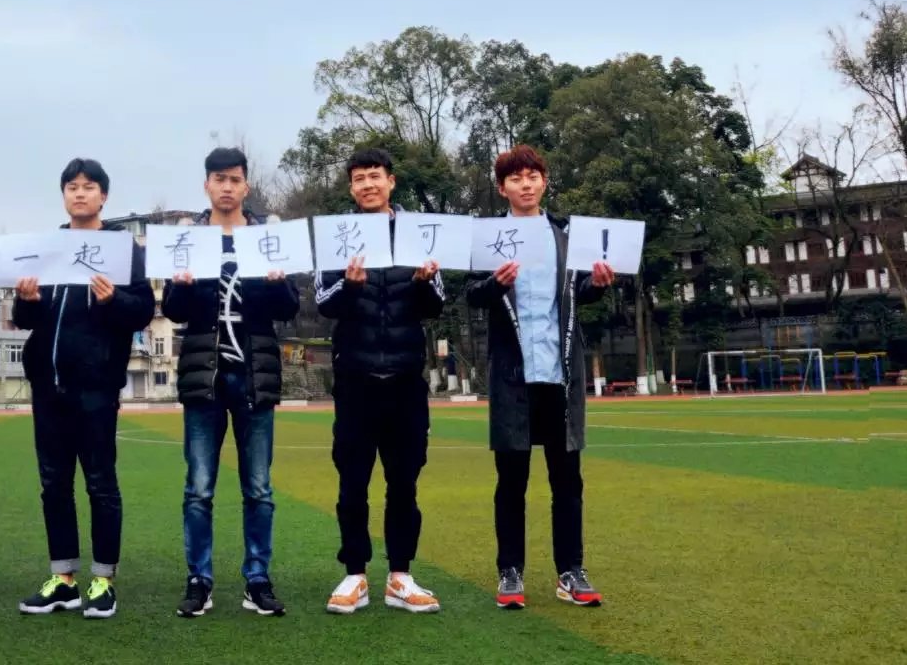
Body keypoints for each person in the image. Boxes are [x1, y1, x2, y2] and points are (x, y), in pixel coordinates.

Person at [466, 144, 615, 609]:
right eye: (516, 178)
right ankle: (510, 572)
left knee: (567, 480)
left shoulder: (568, 236)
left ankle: (570, 571)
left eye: (533, 176)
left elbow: (578, 293)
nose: (526, 184)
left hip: (559, 373)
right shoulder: (489, 238)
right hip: (513, 375)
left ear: (545, 181)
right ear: (502, 188)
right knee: (511, 482)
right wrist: (495, 284)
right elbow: (470, 295)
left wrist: (598, 285)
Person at [13, 158, 154, 620]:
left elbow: (142, 310)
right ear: (63, 196)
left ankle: (103, 580)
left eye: (88, 186)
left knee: (100, 483)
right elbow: (28, 319)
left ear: (103, 196)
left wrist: (113, 299)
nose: (79, 193)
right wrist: (27, 300)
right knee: (53, 484)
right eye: (71, 186)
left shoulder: (122, 248)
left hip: (96, 385)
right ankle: (63, 580)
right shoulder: (46, 248)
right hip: (47, 384)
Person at [163, 147, 299, 619]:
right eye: (218, 178)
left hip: (254, 374)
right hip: (205, 376)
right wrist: (181, 286)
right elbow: (173, 311)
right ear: (207, 184)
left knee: (258, 488)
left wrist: (278, 283)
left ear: (246, 185)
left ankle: (257, 579)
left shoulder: (267, 237)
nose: (226, 186)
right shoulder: (189, 239)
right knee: (198, 489)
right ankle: (198, 580)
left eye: (235, 179)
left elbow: (288, 308)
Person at [315, 147, 445, 615]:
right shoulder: (336, 237)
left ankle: (400, 576)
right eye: (359, 178)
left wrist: (424, 282)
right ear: (351, 188)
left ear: (392, 181)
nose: (368, 184)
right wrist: (350, 285)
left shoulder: (421, 234)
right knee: (352, 483)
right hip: (355, 380)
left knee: (404, 483)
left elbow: (435, 306)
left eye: (375, 176)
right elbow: (324, 302)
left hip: (406, 380)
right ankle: (354, 575)